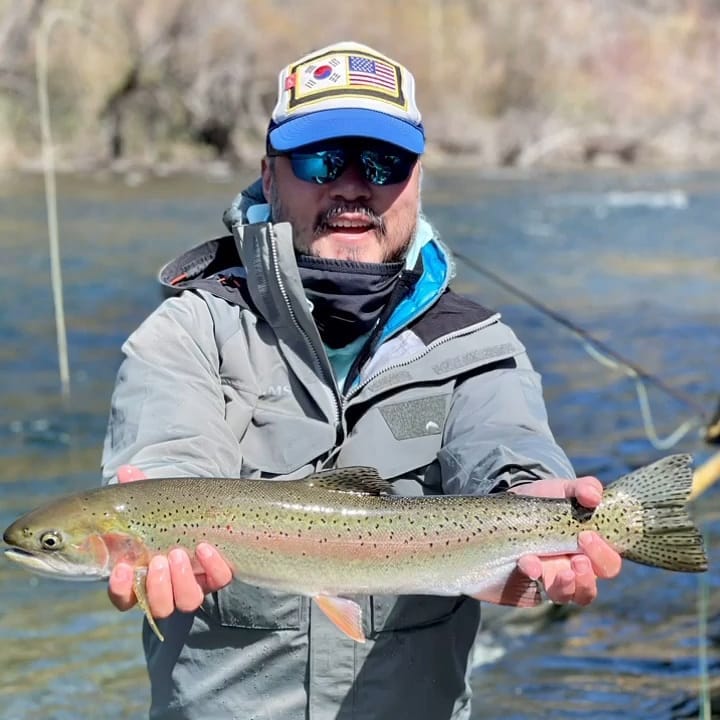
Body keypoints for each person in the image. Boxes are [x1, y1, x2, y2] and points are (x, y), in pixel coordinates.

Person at [102, 41, 622, 720]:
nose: (352, 185)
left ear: (418, 179)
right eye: (321, 158)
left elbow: (508, 447)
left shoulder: (475, 345)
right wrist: (158, 515)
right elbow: (170, 456)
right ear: (269, 173)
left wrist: (535, 502)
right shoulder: (189, 334)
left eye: (383, 162)